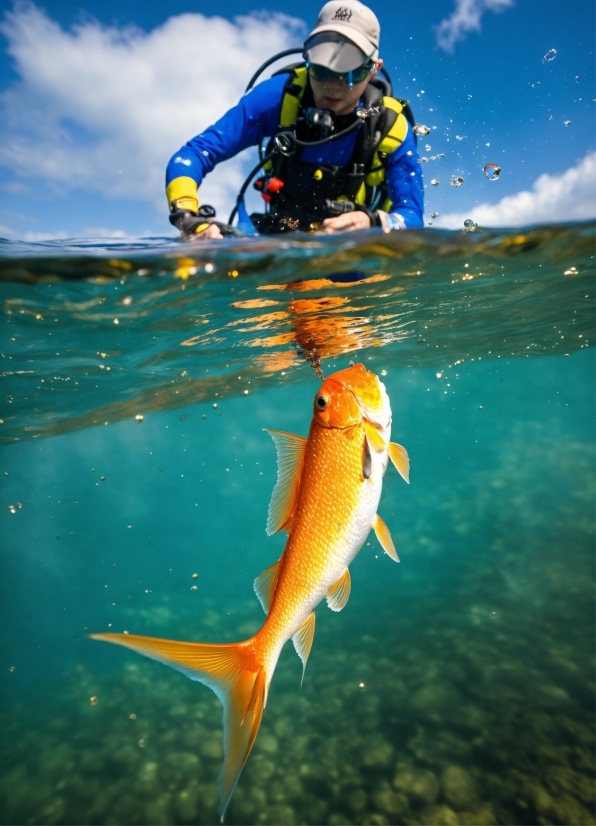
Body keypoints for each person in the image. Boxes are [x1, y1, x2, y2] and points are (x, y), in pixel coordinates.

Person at [165, 0, 424, 239]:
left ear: (373, 69)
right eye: (321, 69)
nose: (332, 85)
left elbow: (411, 215)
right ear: (308, 58)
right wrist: (190, 219)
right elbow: (195, 153)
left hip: (350, 244)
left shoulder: (391, 127)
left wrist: (372, 221)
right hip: (283, 227)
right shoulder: (276, 98)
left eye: (350, 73)